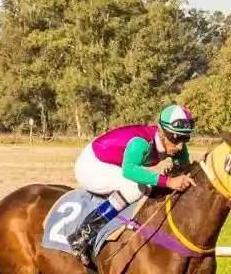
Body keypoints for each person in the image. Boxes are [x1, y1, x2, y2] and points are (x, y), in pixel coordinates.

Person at [66, 104, 196, 261]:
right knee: (136, 188)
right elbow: (129, 170)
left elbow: (185, 170)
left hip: (114, 164)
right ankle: (81, 235)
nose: (180, 146)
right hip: (92, 164)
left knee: (150, 187)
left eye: (185, 138)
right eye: (175, 138)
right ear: (161, 131)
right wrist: (168, 181)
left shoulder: (177, 146)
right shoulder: (141, 141)